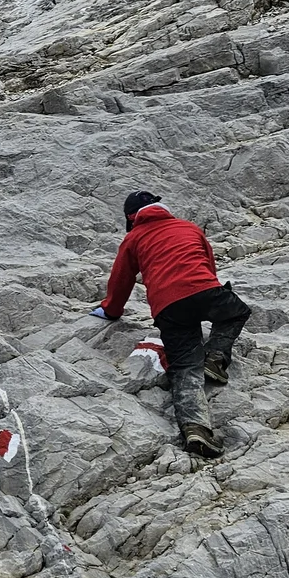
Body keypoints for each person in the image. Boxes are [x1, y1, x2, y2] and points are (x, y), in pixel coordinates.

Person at [96, 191, 251, 460]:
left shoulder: (133, 238)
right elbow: (208, 265)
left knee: (185, 367)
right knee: (236, 313)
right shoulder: (188, 227)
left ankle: (196, 430)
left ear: (131, 219)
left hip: (168, 307)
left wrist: (110, 311)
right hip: (205, 290)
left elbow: (121, 279)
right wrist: (206, 291)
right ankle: (215, 357)